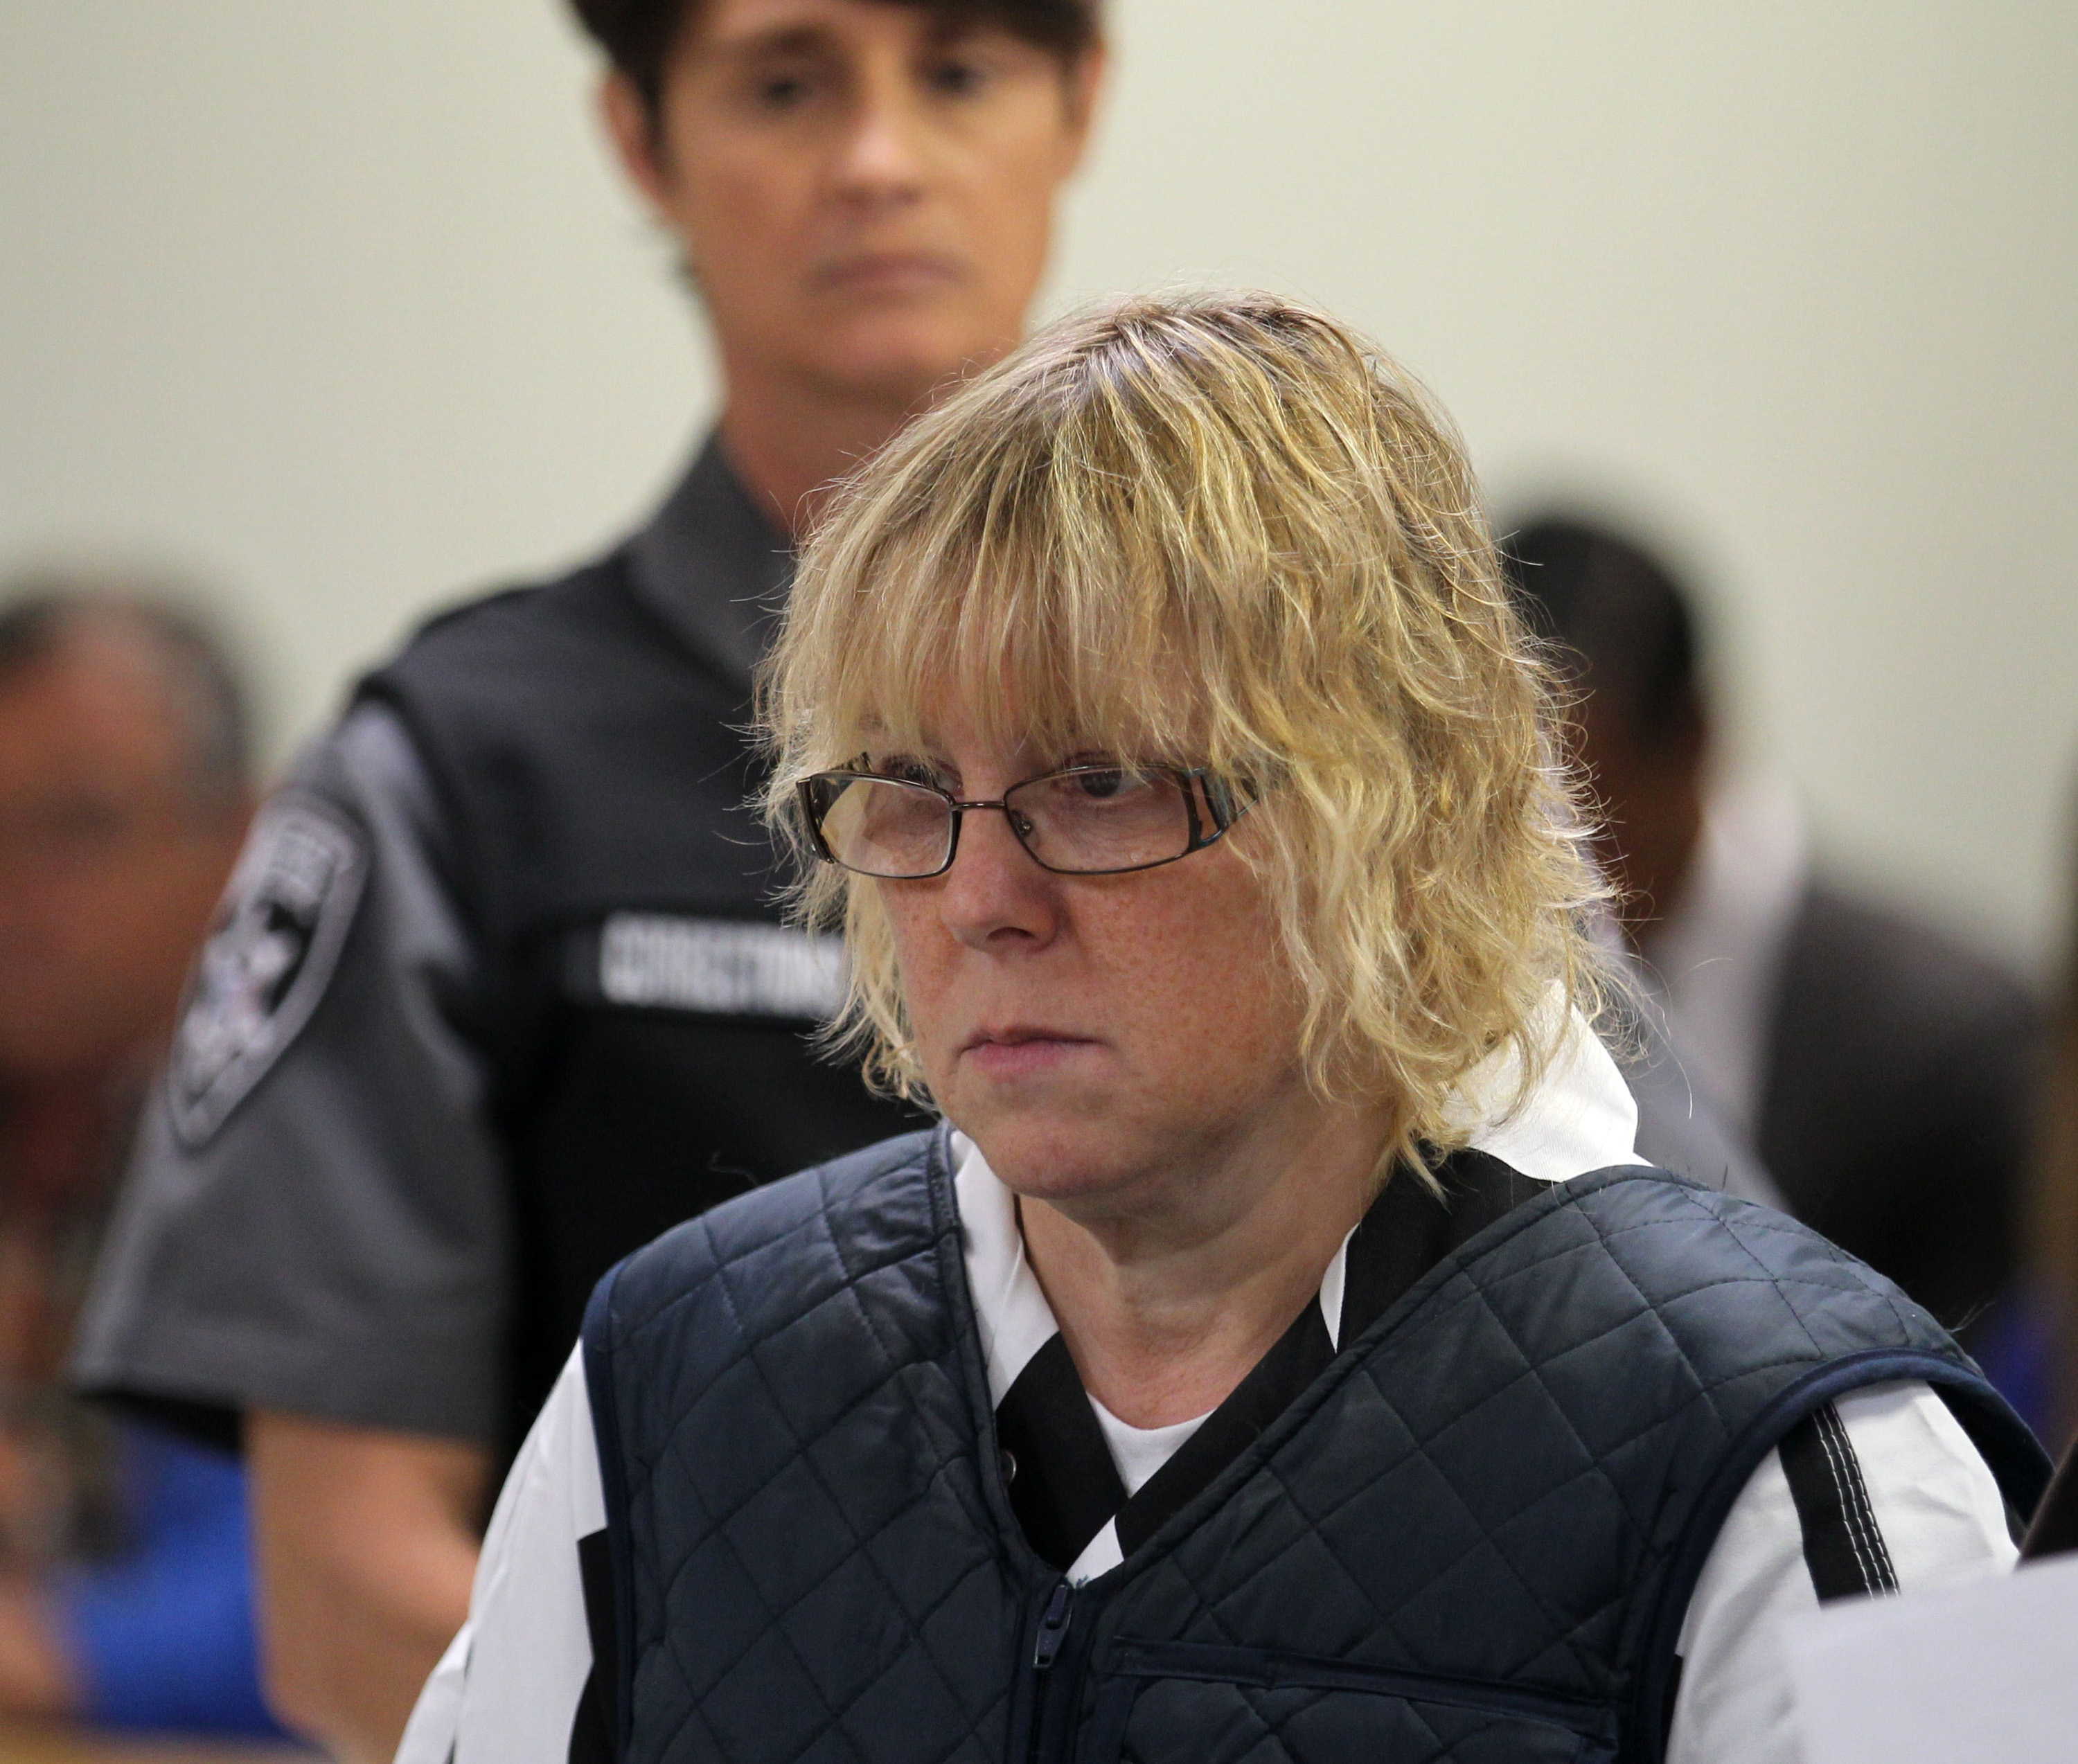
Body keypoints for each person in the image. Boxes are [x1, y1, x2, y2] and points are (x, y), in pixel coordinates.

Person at [400, 293, 2045, 1764]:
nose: (979, 893)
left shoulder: (1779, 1448)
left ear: (1395, 813)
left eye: (1099, 779)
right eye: (909, 784)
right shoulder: (679, 1376)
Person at [69, 3, 1105, 1758]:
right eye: (784, 83)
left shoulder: (1322, 747)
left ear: (1077, 101)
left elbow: (1638, 1342)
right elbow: (338, 1594)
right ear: (640, 136)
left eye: (956, 71)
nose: (875, 158)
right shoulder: (454, 780)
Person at [1503, 517, 2041, 1360]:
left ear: (1696, 739)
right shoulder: (1450, 1009)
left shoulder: (1956, 1049)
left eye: (1575, 805)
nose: (1542, 852)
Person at [0, 580, 276, 1731]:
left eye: (79, 828)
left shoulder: (302, 1150)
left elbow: (301, 1597)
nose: (18, 895)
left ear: (243, 840)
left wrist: (56, 1653)